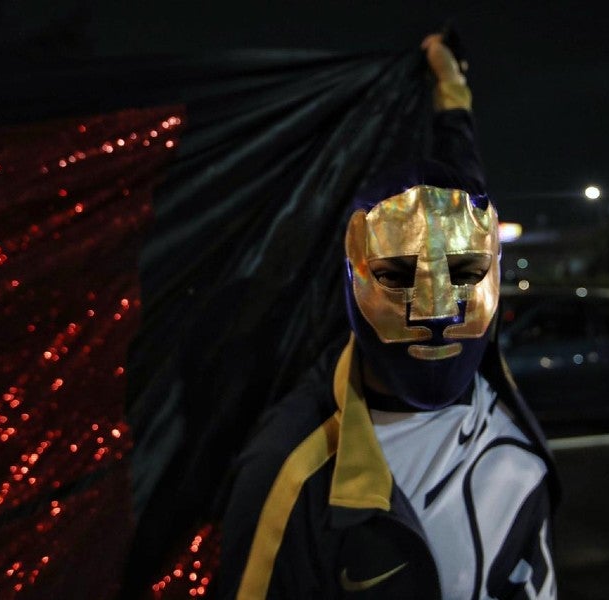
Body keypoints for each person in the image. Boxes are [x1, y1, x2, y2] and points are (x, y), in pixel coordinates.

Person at [217, 32, 560, 600]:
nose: (435, 314)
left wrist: (450, 86)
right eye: (399, 276)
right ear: (352, 277)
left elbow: (462, 180)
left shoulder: (503, 416)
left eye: (466, 273)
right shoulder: (290, 472)